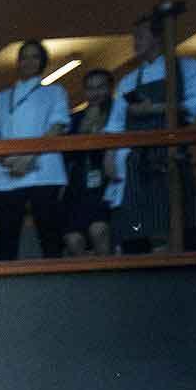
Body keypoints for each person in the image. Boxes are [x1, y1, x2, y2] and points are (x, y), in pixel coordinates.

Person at [107, 14, 196, 253]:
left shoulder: (188, 68)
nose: (135, 42)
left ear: (157, 37)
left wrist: (156, 108)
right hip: (137, 158)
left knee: (180, 218)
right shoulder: (129, 80)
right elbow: (116, 123)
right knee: (136, 226)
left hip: (171, 151)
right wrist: (110, 157)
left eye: (140, 36)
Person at [0, 42, 73, 260]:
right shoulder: (2, 97)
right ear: (18, 62)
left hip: (42, 171)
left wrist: (29, 158)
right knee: (7, 236)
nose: (29, 61)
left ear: (42, 62)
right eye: (24, 57)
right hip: (6, 172)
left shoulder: (54, 92)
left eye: (35, 57)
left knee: (49, 233)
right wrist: (9, 161)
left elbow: (57, 126)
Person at [62, 69, 118, 256]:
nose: (95, 93)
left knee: (99, 230)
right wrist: (84, 132)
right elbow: (66, 154)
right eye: (90, 88)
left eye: (100, 87)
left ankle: (107, 280)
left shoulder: (118, 114)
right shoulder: (75, 119)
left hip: (108, 184)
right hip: (78, 187)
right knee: (73, 239)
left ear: (110, 88)